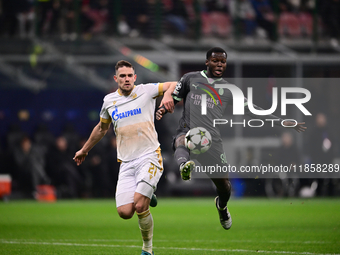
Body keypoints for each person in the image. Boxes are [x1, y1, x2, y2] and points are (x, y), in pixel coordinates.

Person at [156, 47, 306, 230]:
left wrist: (282, 122)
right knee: (181, 140)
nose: (219, 64)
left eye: (223, 61)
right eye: (215, 60)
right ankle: (183, 166)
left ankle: (222, 206)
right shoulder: (190, 78)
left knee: (225, 186)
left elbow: (254, 111)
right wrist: (164, 107)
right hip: (188, 130)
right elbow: (173, 96)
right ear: (207, 62)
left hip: (211, 142)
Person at [73, 60, 176, 255]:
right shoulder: (109, 101)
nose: (126, 79)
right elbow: (102, 128)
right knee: (124, 212)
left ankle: (147, 249)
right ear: (116, 79)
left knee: (139, 205)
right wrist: (85, 150)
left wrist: (168, 95)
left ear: (135, 77)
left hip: (149, 156)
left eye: (130, 75)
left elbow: (174, 83)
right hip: (126, 163)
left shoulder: (147, 90)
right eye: (122, 76)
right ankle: (147, 191)